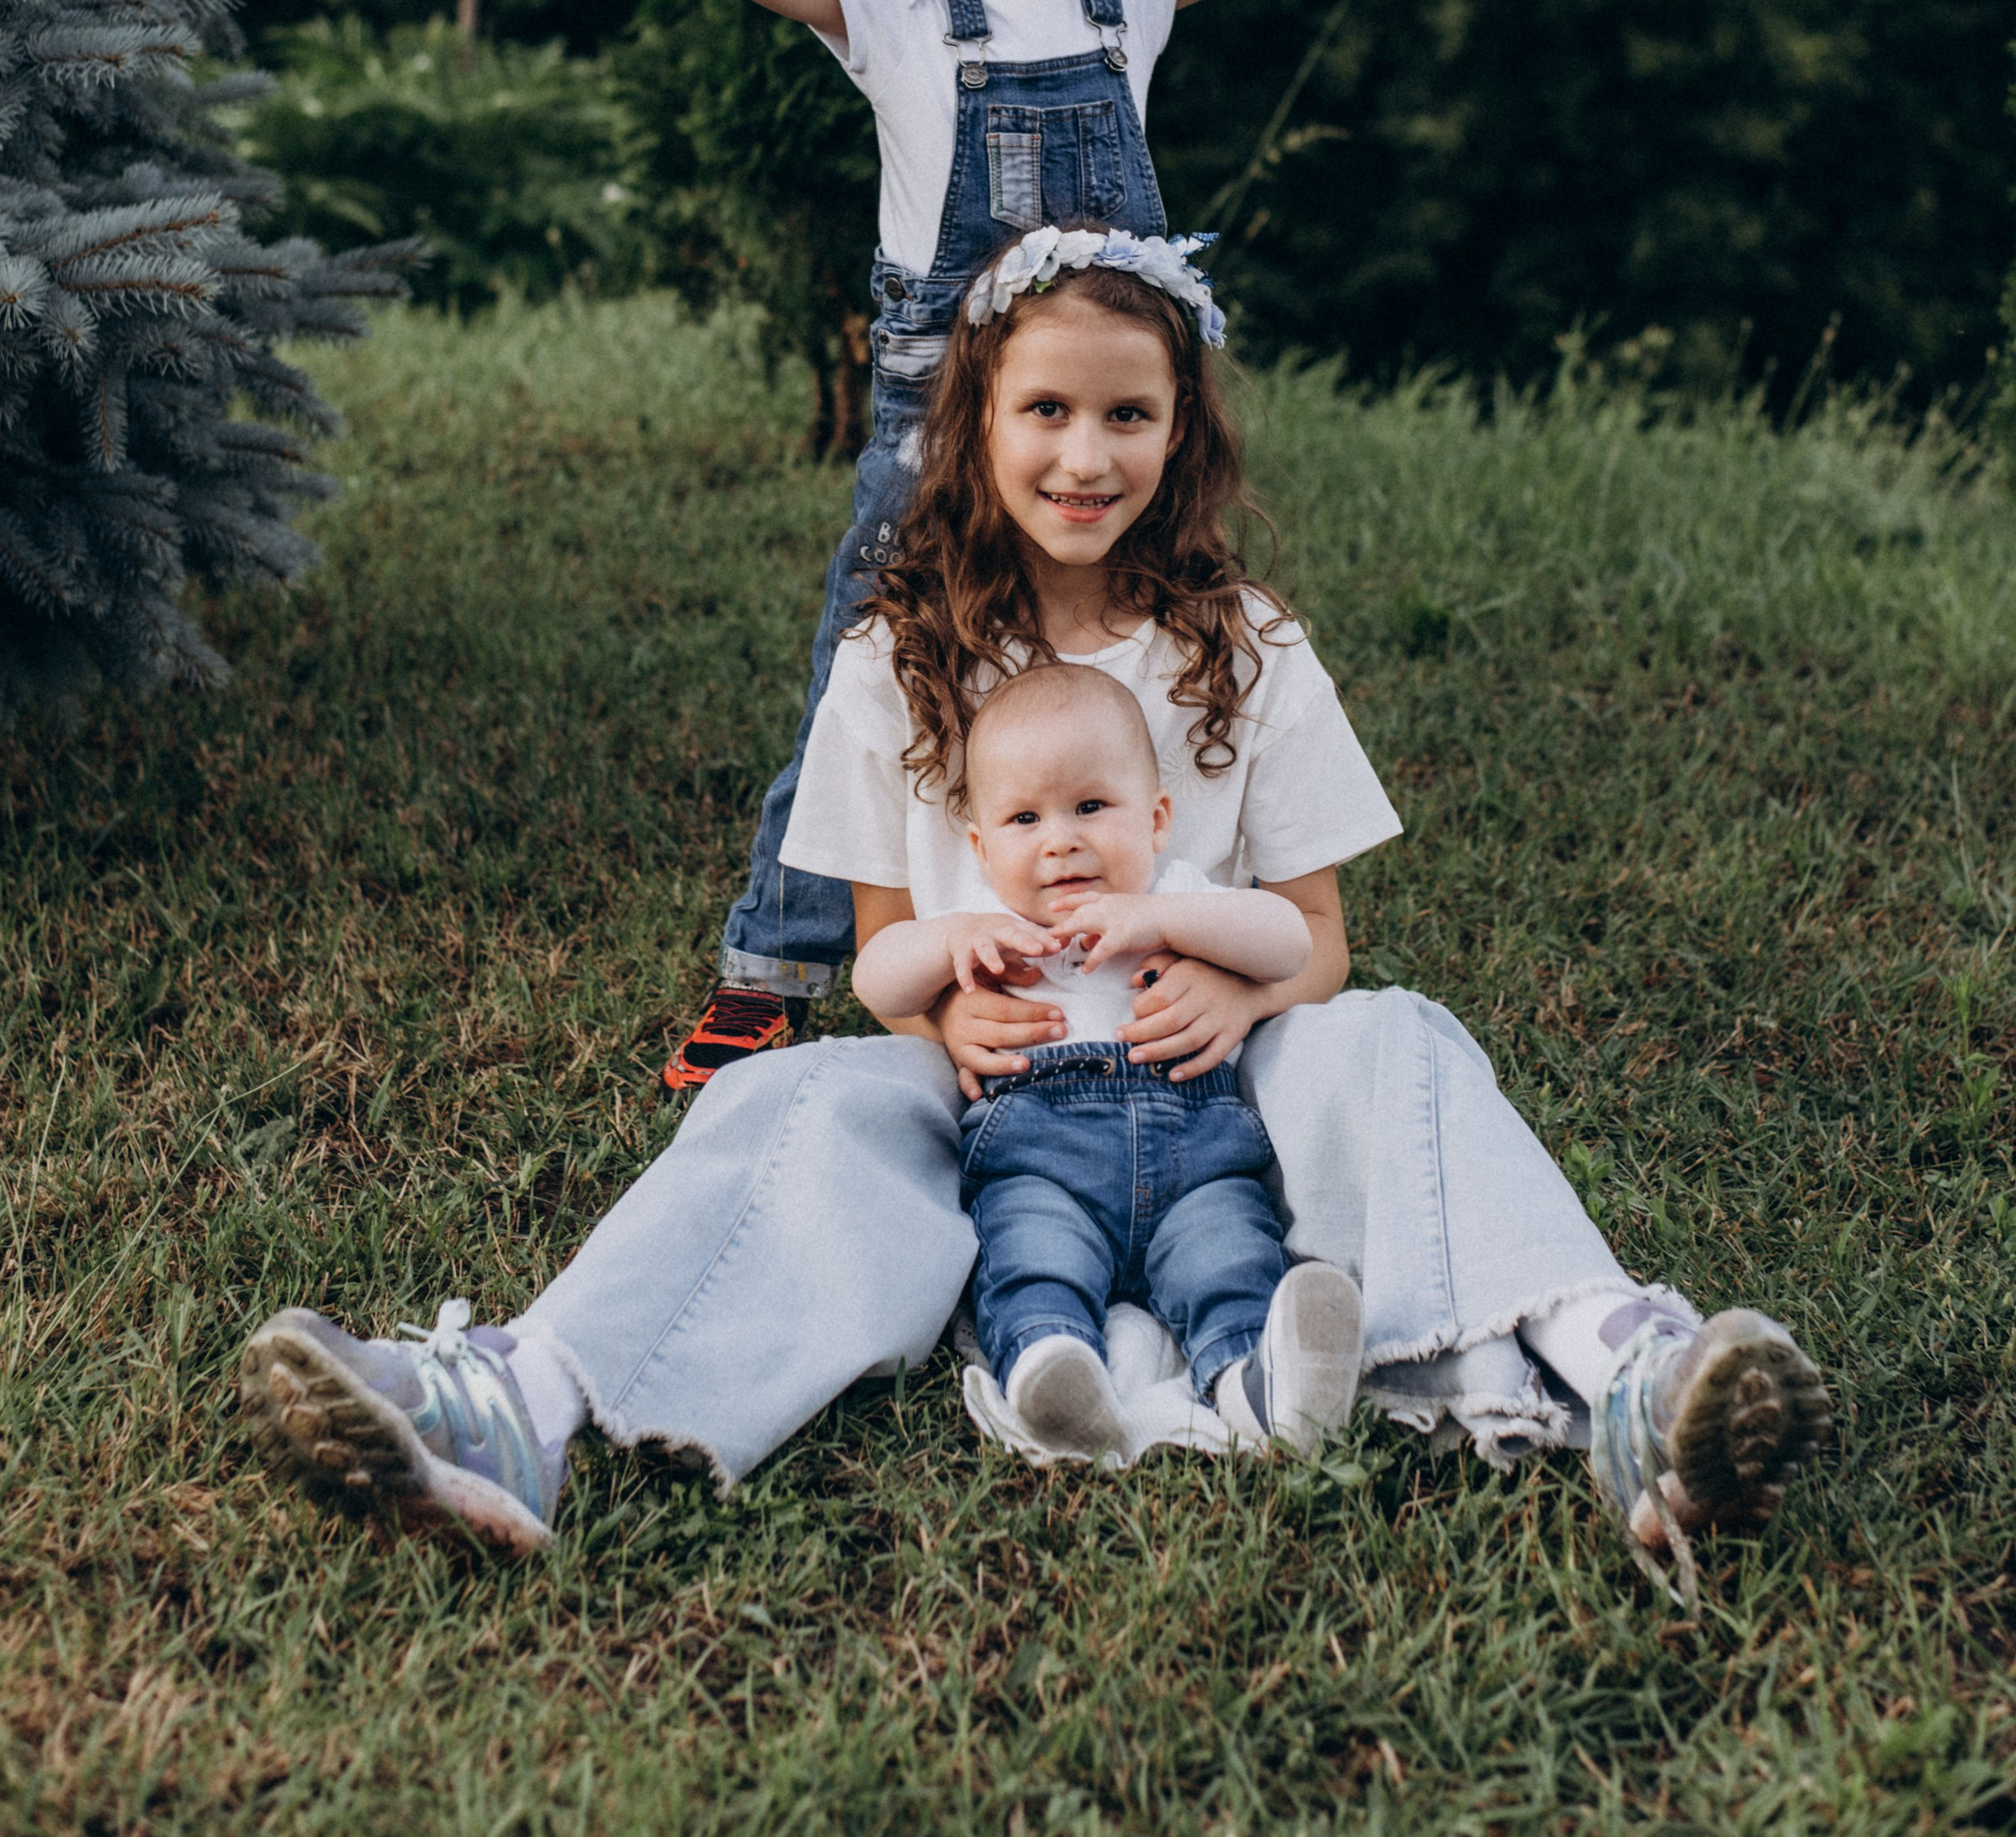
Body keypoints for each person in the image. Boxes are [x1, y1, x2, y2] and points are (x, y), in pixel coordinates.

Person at [238, 242, 1830, 1612]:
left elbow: (1322, 935)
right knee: (784, 1094)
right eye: (1045, 410)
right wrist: (946, 1026)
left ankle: (1619, 1362)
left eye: (1128, 413)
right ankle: (522, 1395)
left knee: (1400, 1032)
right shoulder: (894, 652)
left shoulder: (1249, 644)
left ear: (1182, 429)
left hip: (1222, 1063)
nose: (1086, 454)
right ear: (975, 425)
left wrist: (1231, 979)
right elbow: (879, 957)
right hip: (991, 1083)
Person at [393, 0, 1608, 1086]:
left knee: (1168, 646)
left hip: (1113, 418)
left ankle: (1180, 915)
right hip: (941, 429)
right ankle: (771, 967)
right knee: (881, 671)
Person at [854, 658, 1368, 1462]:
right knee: (1033, 1258)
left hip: (1198, 1165)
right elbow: (875, 973)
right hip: (1041, 1165)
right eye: (1025, 821)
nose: (1062, 840)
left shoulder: (1180, 897)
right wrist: (951, 947)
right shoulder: (982, 923)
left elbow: (1291, 939)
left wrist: (1164, 918)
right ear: (983, 848)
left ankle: (1260, 1385)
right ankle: (1054, 1371)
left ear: (1157, 821)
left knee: (1229, 1258)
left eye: (1092, 807)